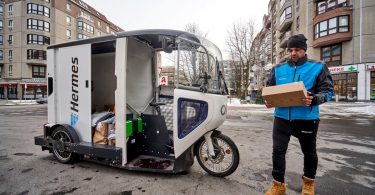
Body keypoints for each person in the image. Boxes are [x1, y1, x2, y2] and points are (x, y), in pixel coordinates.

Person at [264, 34, 334, 195]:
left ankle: (308, 183)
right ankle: (278, 185)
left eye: (297, 50)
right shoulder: (278, 68)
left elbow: (328, 91)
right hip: (281, 117)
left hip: (307, 119)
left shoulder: (318, 66)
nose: (293, 53)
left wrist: (315, 99)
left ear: (304, 50)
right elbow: (269, 89)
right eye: (290, 50)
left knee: (309, 152)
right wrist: (268, 101)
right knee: (278, 151)